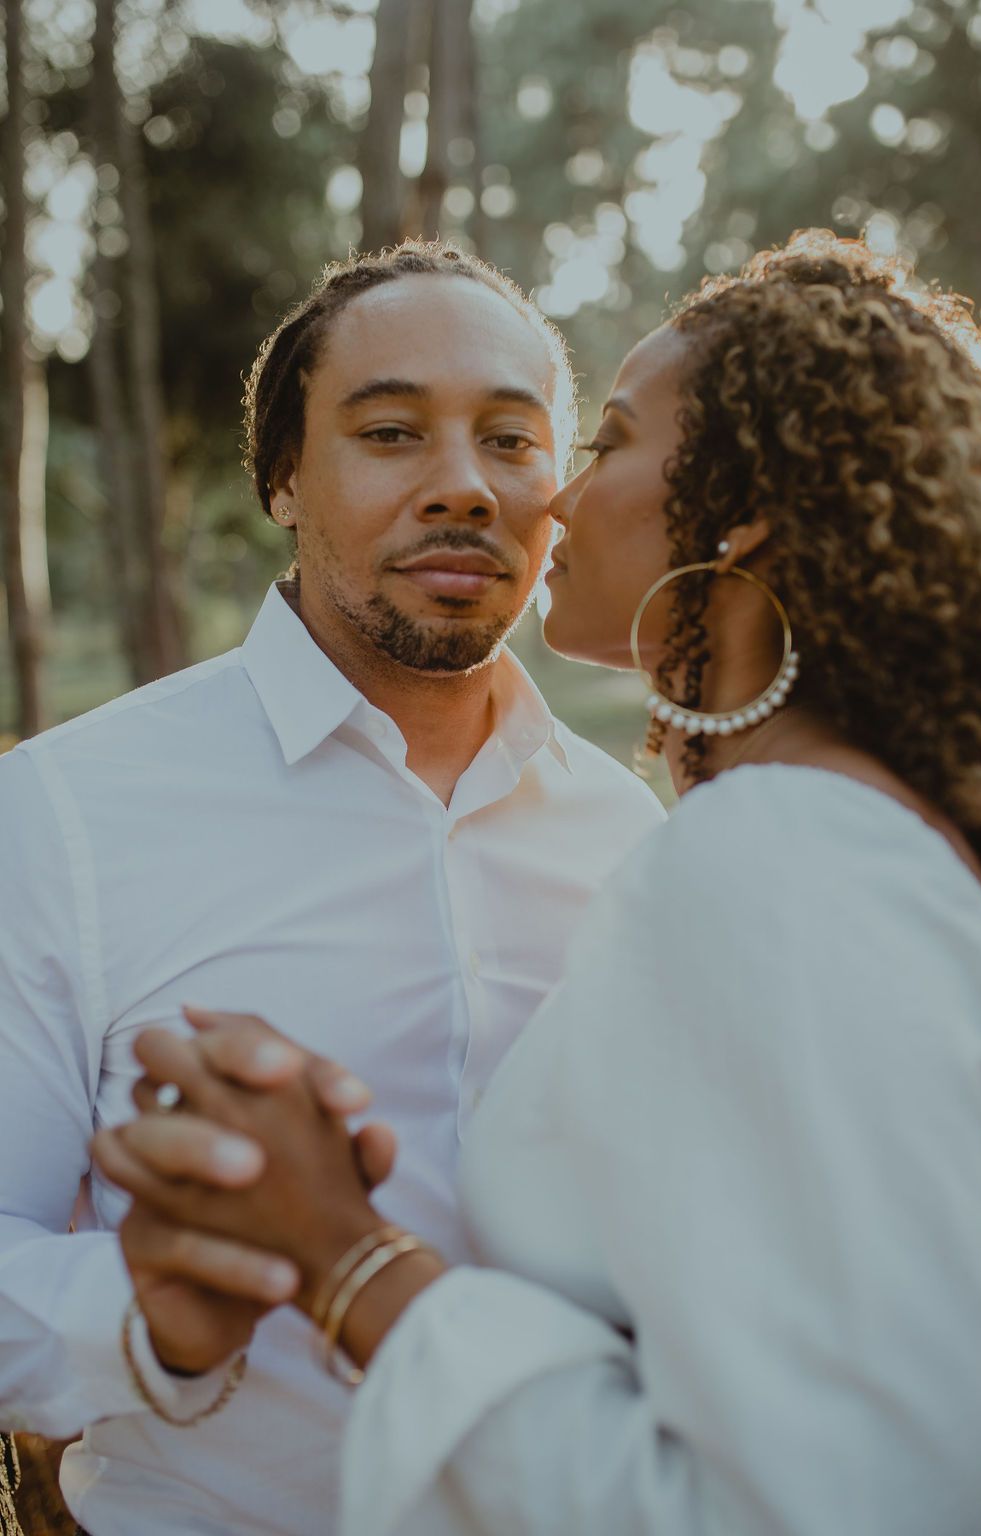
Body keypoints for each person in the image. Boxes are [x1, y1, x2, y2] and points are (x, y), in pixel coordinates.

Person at [98, 229, 981, 1535]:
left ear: (745, 504)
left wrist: (343, 1258)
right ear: (284, 479)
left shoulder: (775, 855)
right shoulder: (834, 838)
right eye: (390, 433)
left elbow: (830, 1508)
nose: (534, 502)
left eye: (591, 444)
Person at [0, 242, 664, 1536]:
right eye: (392, 432)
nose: (464, 488)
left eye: (514, 442)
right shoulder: (66, 814)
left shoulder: (629, 837)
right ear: (284, 479)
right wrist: (153, 1327)